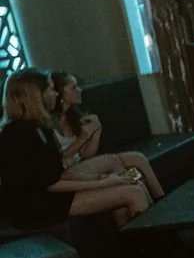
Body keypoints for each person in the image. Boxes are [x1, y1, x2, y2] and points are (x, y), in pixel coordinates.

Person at [0, 69, 151, 227]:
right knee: (134, 192)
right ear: (37, 96)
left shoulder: (40, 126)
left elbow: (58, 172)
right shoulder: (15, 134)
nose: (56, 94)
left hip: (50, 194)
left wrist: (100, 179)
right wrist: (103, 182)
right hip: (33, 207)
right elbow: (52, 183)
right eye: (51, 89)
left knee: (135, 182)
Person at [50, 70, 164, 199]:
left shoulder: (74, 116)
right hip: (69, 171)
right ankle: (137, 195)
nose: (80, 90)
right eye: (74, 87)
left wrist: (97, 129)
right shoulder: (50, 123)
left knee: (138, 159)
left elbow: (86, 155)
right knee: (116, 164)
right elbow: (59, 158)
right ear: (60, 93)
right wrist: (84, 137)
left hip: (83, 164)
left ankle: (159, 200)